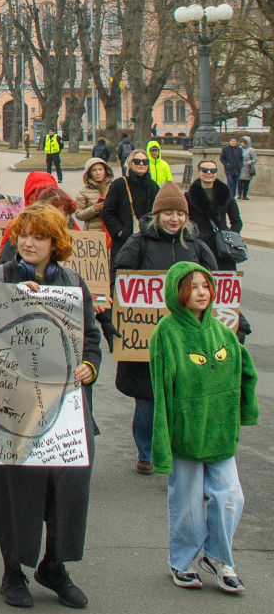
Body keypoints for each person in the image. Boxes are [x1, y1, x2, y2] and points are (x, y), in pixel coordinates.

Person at [0, 205, 101, 609]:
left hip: (65, 407)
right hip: (13, 405)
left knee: (68, 485)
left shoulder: (73, 283)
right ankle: (12, 570)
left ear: (55, 243)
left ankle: (54, 566)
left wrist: (89, 366)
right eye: (24, 234)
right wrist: (12, 301)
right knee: (16, 489)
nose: (28, 243)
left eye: (39, 236)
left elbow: (91, 337)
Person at [151, 262, 258, 593]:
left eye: (205, 286)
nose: (201, 292)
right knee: (187, 504)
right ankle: (181, 561)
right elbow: (161, 392)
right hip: (185, 433)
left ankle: (217, 557)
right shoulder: (166, 333)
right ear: (177, 292)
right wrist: (162, 442)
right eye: (193, 286)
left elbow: (244, 372)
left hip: (219, 432)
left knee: (231, 496)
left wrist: (244, 412)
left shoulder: (223, 332)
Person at [111, 183, 216, 475]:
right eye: (168, 213)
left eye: (180, 213)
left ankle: (181, 450)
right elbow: (119, 279)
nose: (174, 219)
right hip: (148, 338)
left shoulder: (196, 246)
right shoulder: (138, 242)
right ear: (157, 215)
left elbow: (215, 285)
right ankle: (147, 453)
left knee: (185, 399)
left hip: (187, 337)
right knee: (148, 401)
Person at [100, 148, 159, 260]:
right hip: (124, 243)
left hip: (148, 242)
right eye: (137, 161)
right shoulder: (120, 184)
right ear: (130, 163)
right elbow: (107, 212)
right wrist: (120, 232)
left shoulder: (153, 187)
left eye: (145, 161)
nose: (141, 164)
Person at [186, 158, 243, 272]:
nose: (209, 173)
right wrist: (192, 239)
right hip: (199, 245)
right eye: (205, 170)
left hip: (222, 247)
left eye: (213, 170)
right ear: (199, 172)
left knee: (223, 278)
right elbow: (186, 221)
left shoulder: (226, 194)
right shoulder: (189, 196)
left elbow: (237, 222)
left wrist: (230, 238)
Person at [74, 158, 113, 233]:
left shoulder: (113, 188)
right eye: (94, 170)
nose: (98, 173)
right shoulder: (83, 191)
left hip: (111, 232)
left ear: (105, 171)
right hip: (92, 233)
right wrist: (94, 209)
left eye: (100, 169)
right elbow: (78, 215)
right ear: (89, 173)